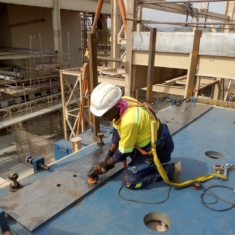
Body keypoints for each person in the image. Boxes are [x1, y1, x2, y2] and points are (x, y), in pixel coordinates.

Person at [87, 82, 181, 189]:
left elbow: (124, 152)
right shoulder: (124, 102)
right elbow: (117, 133)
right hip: (153, 139)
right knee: (123, 157)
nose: (103, 118)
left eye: (105, 114)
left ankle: (170, 171)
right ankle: (147, 165)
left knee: (130, 181)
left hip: (159, 149)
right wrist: (108, 156)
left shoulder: (129, 121)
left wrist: (106, 165)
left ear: (115, 108)